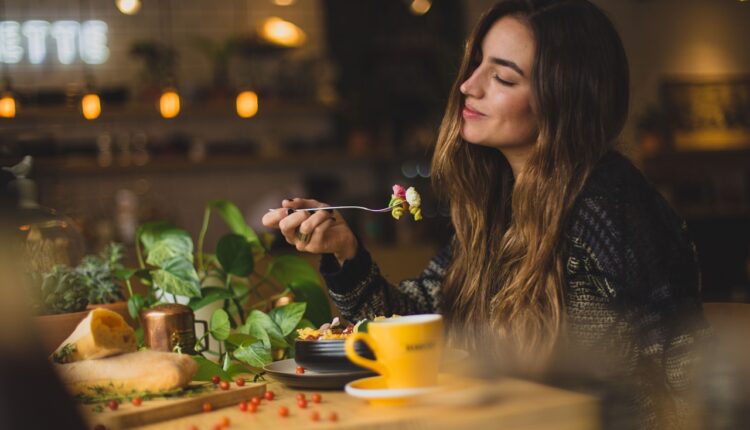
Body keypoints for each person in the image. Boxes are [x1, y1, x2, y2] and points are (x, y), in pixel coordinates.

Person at [262, 0, 709, 428]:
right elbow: (419, 321)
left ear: (564, 100)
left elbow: (686, 366)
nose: (468, 85)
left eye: (504, 78)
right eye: (476, 64)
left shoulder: (607, 204)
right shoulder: (501, 205)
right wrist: (345, 251)